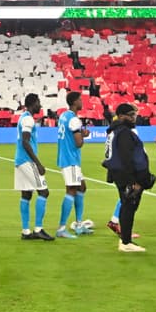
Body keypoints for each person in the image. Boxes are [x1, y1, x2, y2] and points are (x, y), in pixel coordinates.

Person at [104, 102, 151, 253]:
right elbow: (126, 158)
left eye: (134, 115)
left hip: (119, 174)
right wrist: (133, 181)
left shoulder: (115, 131)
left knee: (127, 206)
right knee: (128, 206)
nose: (133, 118)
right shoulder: (123, 132)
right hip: (125, 176)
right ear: (121, 116)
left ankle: (125, 239)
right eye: (130, 115)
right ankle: (126, 242)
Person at [15, 93, 54, 241]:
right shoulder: (28, 119)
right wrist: (38, 163)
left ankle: (26, 231)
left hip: (20, 160)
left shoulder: (23, 117)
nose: (40, 105)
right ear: (32, 104)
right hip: (27, 161)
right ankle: (38, 229)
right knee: (44, 192)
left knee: (26, 194)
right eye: (38, 102)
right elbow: (25, 141)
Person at [56, 91, 93, 238]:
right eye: (80, 100)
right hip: (70, 159)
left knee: (82, 187)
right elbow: (78, 144)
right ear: (74, 102)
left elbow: (70, 135)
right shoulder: (74, 120)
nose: (82, 102)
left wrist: (81, 134)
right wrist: (83, 138)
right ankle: (61, 228)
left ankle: (78, 224)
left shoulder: (64, 116)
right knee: (71, 190)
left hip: (66, 157)